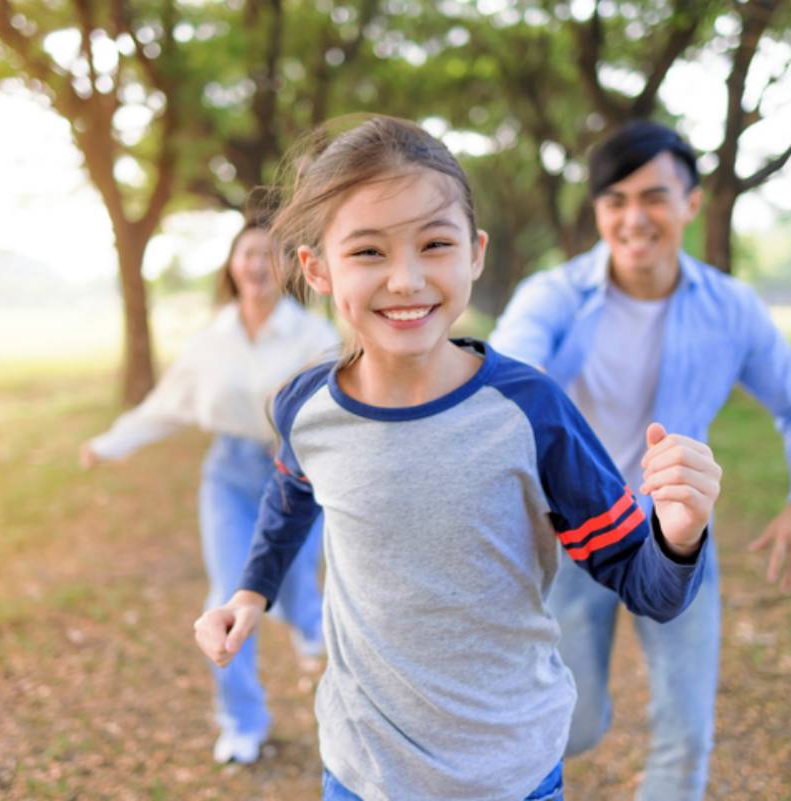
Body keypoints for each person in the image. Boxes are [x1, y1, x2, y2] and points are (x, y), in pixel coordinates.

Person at [193, 115, 724, 801]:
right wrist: (251, 590)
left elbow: (645, 582)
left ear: (473, 253)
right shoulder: (308, 408)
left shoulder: (532, 412)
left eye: (434, 244)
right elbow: (291, 495)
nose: (407, 279)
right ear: (317, 268)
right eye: (369, 253)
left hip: (510, 773)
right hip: (360, 772)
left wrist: (678, 535)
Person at [489, 120, 791, 801]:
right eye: (614, 200)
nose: (633, 217)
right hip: (574, 537)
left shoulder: (730, 307)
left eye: (653, 196)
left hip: (676, 540)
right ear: (597, 212)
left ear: (691, 204)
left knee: (685, 733)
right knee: (572, 722)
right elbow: (507, 376)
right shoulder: (554, 295)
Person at [81, 221, 338, 765]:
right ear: (232, 265)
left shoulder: (313, 337)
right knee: (228, 593)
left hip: (294, 474)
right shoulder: (211, 340)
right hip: (228, 475)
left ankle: (307, 621)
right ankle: (243, 721)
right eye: (247, 254)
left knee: (291, 584)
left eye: (268, 255)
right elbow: (167, 404)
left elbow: (336, 408)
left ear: (288, 266)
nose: (256, 264)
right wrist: (110, 444)